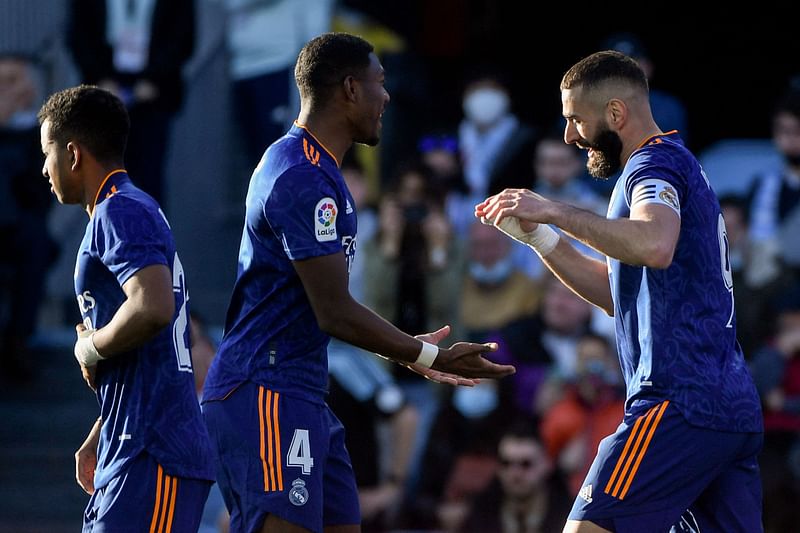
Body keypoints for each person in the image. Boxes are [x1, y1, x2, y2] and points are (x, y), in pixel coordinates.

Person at [201, 32, 514, 533]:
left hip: (304, 391)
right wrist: (425, 356)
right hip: (265, 389)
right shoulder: (300, 176)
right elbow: (334, 310)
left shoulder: (318, 172)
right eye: (379, 82)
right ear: (350, 88)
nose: (386, 96)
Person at [476, 50, 763, 532]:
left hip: (677, 401)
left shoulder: (652, 165)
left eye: (575, 119)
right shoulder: (674, 164)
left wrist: (557, 211)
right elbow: (622, 295)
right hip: (728, 409)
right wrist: (539, 238)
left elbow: (653, 243)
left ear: (615, 114)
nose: (569, 135)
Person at [38, 85, 214, 531]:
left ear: (73, 154)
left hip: (154, 451)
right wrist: (106, 424)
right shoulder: (129, 208)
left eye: (48, 152)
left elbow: (154, 306)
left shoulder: (120, 211)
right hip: (131, 442)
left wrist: (90, 348)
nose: (44, 168)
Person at [66, 0, 196, 205]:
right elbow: (79, 34)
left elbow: (182, 34)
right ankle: (111, 232)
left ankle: (150, 233)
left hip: (153, 93)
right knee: (105, 177)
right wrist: (101, 79)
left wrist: (155, 78)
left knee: (149, 175)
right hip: (104, 92)